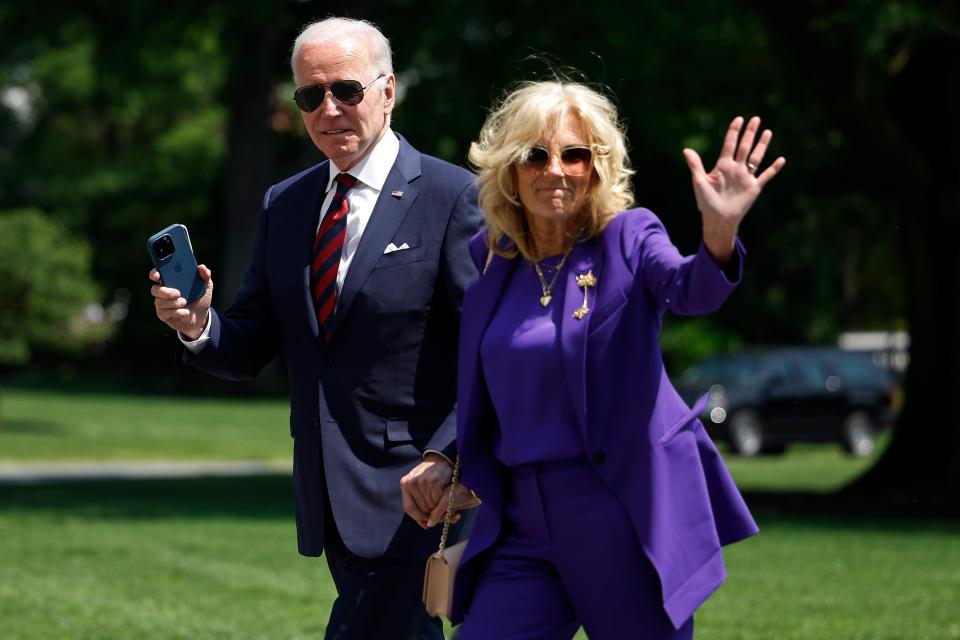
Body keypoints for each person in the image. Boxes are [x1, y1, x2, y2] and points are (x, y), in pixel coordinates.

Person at [149, 17, 481, 640]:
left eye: (347, 91)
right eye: (310, 96)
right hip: (330, 493)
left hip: (422, 491)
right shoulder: (288, 203)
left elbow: (489, 354)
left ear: (387, 92)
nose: (329, 110)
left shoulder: (453, 196)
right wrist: (198, 325)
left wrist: (449, 454)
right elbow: (248, 342)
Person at [425, 81, 786, 638]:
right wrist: (453, 465)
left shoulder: (628, 238)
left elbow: (689, 289)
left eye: (574, 154)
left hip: (619, 514)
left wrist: (719, 232)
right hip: (520, 524)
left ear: (598, 166)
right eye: (535, 155)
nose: (556, 169)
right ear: (510, 172)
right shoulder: (493, 265)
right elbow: (490, 395)